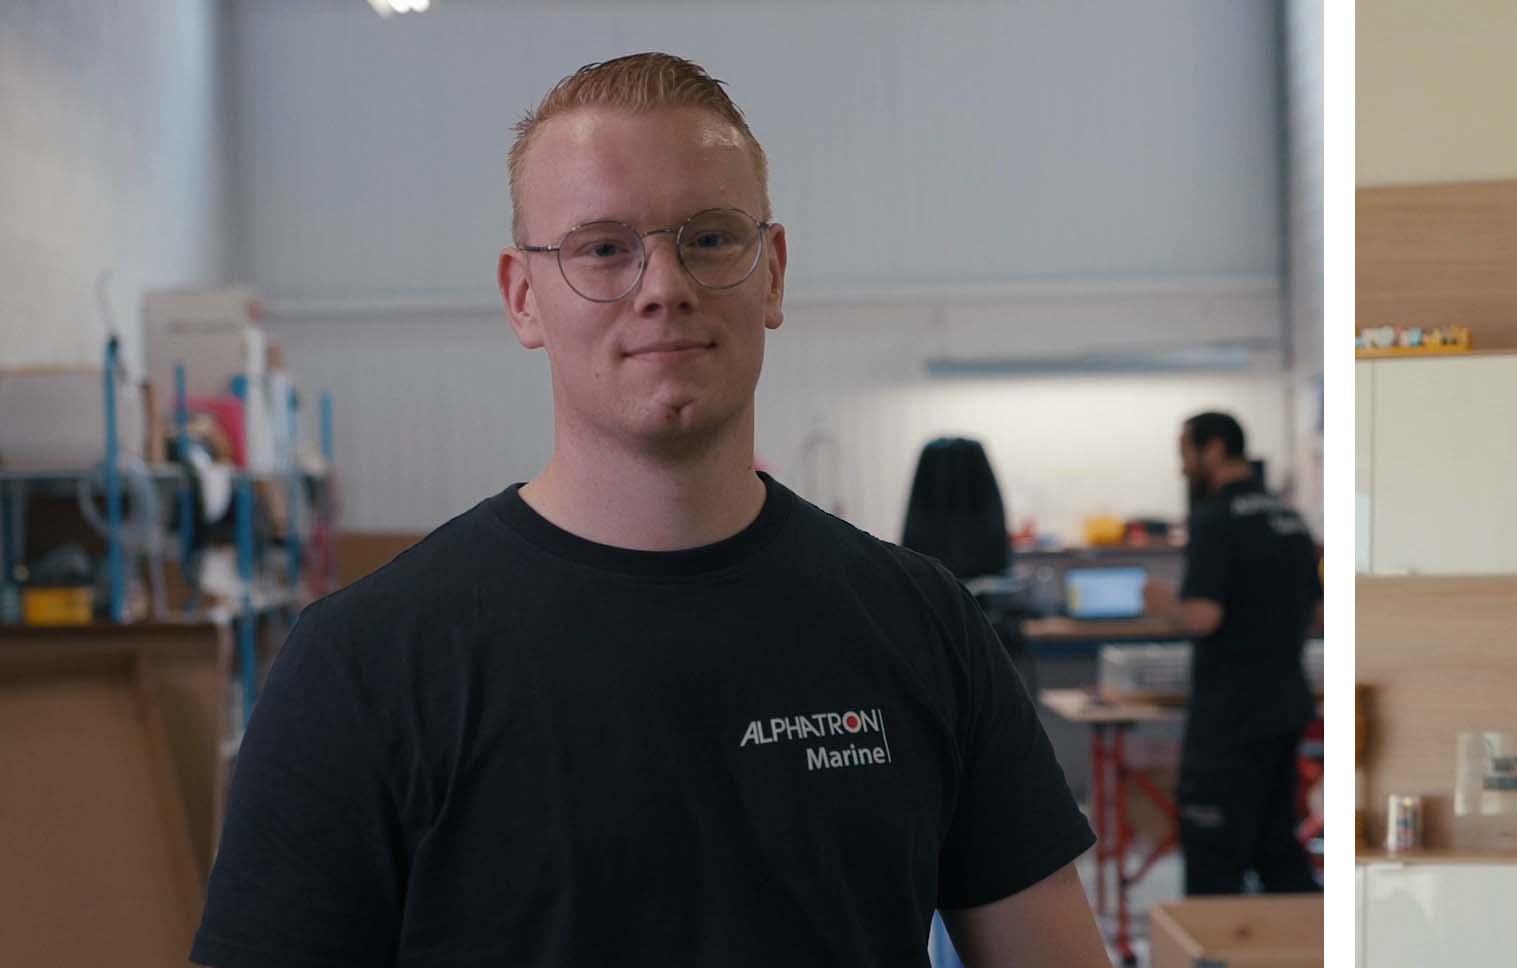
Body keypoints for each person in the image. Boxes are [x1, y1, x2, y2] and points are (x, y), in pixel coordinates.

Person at [193, 52, 1108, 967]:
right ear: (523, 298)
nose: (665, 285)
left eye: (709, 238)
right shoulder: (364, 666)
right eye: (603, 248)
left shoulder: (923, 624)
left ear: (773, 273)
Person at [1173, 410, 1323, 895]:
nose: (1182, 467)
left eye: (1186, 453)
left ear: (1214, 449)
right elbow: (1319, 614)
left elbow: (1202, 616)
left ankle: (1210, 940)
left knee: (1213, 855)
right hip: (1285, 707)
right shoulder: (1290, 519)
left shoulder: (1215, 519)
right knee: (1276, 848)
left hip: (1229, 715)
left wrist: (1162, 604)